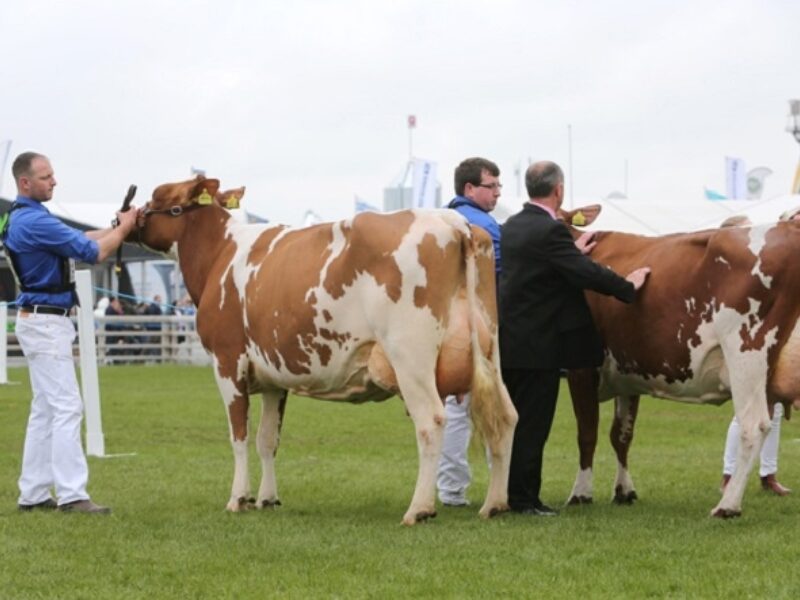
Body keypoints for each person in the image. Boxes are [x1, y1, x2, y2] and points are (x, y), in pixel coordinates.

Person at [499, 160, 650, 516]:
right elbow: (585, 274)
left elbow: (541, 267)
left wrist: (571, 251)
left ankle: (513, 493)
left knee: (518, 423)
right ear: (559, 190)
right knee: (534, 426)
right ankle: (524, 501)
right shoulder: (550, 232)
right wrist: (629, 285)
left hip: (512, 340)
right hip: (540, 345)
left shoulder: (513, 226)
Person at [2, 151, 139, 514]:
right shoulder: (34, 221)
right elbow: (92, 252)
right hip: (47, 321)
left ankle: (32, 493)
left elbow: (79, 237)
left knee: (45, 409)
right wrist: (124, 229)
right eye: (46, 177)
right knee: (66, 406)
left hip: (40, 319)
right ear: (25, 183)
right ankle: (72, 494)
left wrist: (116, 225)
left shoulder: (24, 217)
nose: (54, 181)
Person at [436, 157, 502, 507]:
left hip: (447, 326)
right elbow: (501, 275)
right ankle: (500, 483)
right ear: (470, 189)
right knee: (492, 402)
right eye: (491, 186)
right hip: (482, 325)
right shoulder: (486, 228)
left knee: (452, 408)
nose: (497, 193)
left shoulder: (440, 221)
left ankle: (450, 490)